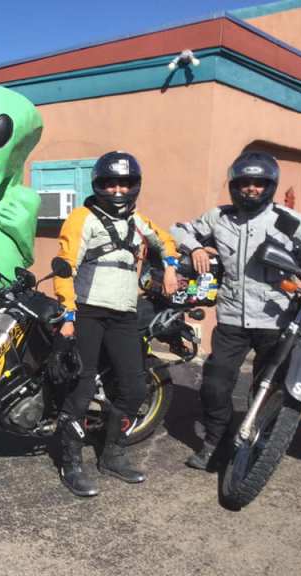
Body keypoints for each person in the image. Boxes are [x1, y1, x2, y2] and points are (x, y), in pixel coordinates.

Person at [171, 151, 301, 471]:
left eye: (259, 183)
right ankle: (215, 443)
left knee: (268, 387)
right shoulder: (219, 217)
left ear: (270, 185)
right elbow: (179, 229)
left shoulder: (289, 221)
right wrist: (195, 247)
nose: (251, 188)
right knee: (215, 384)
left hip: (275, 318)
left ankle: (257, 444)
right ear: (235, 185)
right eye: (244, 183)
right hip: (232, 317)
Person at [53, 151, 179, 497]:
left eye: (124, 183)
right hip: (87, 312)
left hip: (124, 314)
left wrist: (170, 266)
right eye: (110, 183)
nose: (118, 190)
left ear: (135, 185)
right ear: (98, 185)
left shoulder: (138, 220)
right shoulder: (82, 218)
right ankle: (71, 462)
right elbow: (65, 266)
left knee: (135, 388)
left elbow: (165, 240)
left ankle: (112, 454)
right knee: (81, 389)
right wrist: (68, 315)